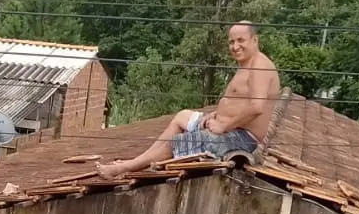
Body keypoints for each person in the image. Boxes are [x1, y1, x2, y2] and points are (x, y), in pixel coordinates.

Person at [97, 22, 280, 179]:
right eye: (231, 42)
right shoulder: (246, 64)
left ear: (255, 40)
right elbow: (239, 101)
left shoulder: (259, 67)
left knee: (177, 142)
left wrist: (224, 126)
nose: (235, 46)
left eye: (241, 40)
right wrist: (216, 114)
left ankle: (126, 167)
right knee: (182, 117)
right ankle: (138, 159)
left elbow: (256, 107)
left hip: (241, 138)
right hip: (225, 126)